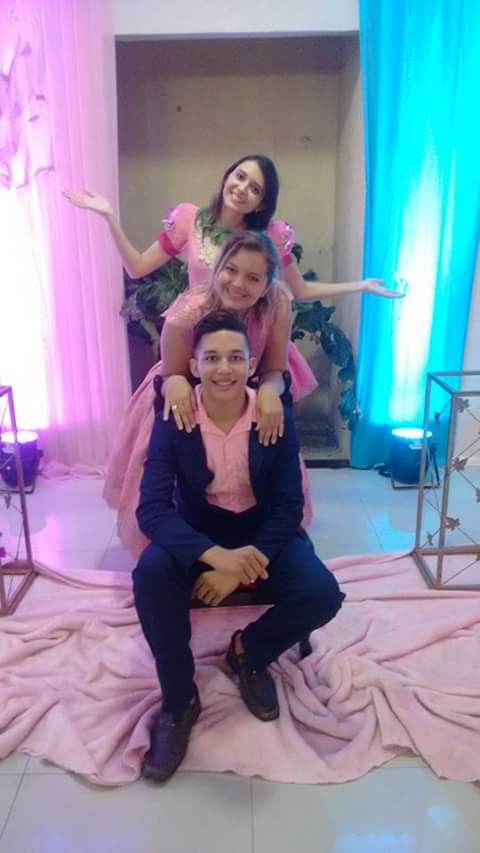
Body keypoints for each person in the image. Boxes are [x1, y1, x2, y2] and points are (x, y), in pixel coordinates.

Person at [133, 309, 345, 783]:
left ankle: (249, 650)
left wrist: (244, 567)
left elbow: (289, 506)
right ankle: (179, 700)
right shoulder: (174, 416)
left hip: (262, 526)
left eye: (235, 357)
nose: (224, 368)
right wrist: (216, 558)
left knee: (322, 593)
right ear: (194, 365)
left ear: (251, 366)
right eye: (212, 358)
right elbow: (151, 510)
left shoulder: (272, 413)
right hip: (200, 529)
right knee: (150, 574)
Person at [104, 231, 313, 558]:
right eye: (231, 270)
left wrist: (270, 391)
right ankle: (175, 547)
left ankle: (259, 536)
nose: (238, 284)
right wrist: (176, 382)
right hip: (186, 382)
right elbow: (172, 370)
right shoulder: (190, 308)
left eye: (253, 278)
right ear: (218, 268)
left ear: (266, 285)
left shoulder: (276, 305)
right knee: (171, 455)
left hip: (244, 388)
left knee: (271, 435)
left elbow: (274, 369)